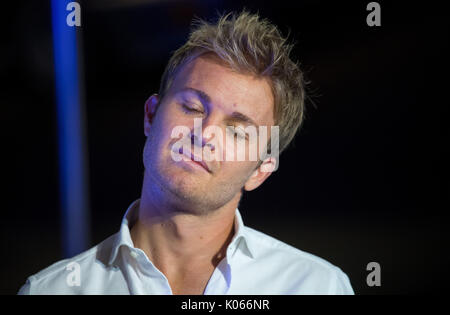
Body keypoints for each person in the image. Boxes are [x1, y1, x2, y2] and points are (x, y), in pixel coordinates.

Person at [18, 10, 354, 295]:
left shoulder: (316, 287)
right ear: (151, 115)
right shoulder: (51, 290)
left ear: (260, 170)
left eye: (236, 130)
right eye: (192, 107)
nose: (204, 134)